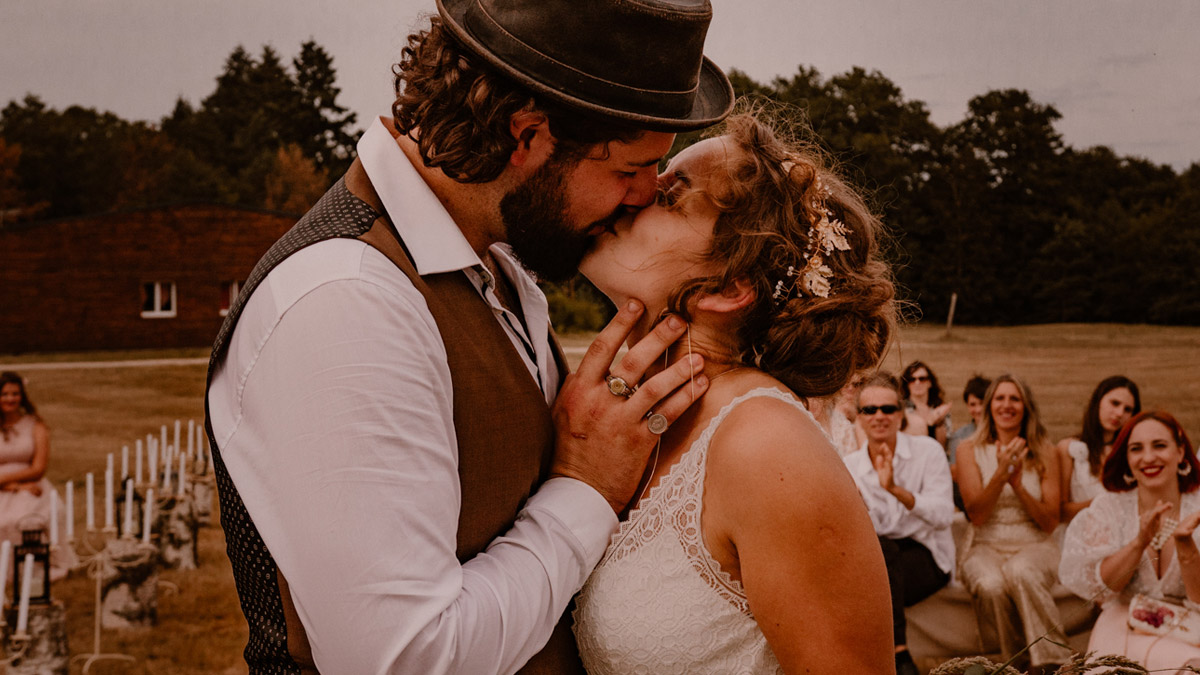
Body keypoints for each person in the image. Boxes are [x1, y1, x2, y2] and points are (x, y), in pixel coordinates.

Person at [204, 1, 735, 672]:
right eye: (629, 170)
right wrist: (586, 489)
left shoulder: (494, 259)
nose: (641, 196)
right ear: (527, 136)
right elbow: (407, 658)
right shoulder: (347, 299)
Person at [571, 109, 896, 672]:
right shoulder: (622, 413)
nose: (639, 192)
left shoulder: (768, 448)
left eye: (673, 195)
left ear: (727, 287)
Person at [1060, 411, 1200, 671]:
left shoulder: (1198, 506)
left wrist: (1186, 547)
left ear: (1180, 453)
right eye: (1136, 449)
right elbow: (1103, 591)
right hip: (1122, 621)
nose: (1148, 457)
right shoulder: (1109, 508)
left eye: (1159, 445)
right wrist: (1138, 543)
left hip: (1190, 625)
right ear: (1127, 458)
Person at [954, 374, 1070, 674]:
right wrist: (1001, 475)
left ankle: (1050, 663)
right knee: (989, 583)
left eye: (1014, 398)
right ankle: (1007, 665)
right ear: (989, 405)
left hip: (1035, 542)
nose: (1007, 405)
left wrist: (1018, 485)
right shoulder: (968, 449)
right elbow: (976, 514)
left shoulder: (1045, 450)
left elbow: (1049, 522)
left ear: (1026, 406)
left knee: (1022, 571)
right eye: (1000, 398)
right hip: (984, 542)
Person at [842, 372, 955, 675]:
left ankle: (894, 657)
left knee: (876, 563)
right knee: (880, 550)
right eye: (870, 410)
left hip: (927, 555)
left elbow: (944, 515)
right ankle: (899, 655)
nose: (879, 416)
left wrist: (896, 490)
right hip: (879, 557)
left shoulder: (927, 452)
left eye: (888, 409)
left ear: (901, 413)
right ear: (859, 416)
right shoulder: (850, 467)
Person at [0, 371, 74, 580]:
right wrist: (12, 486)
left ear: (22, 396)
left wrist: (20, 486)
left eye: (15, 393)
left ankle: (33, 569)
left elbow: (38, 468)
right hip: (5, 489)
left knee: (25, 519)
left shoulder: (36, 425)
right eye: (4, 394)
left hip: (32, 484)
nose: (10, 399)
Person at [1057, 376, 1141, 523]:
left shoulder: (1130, 452)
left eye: (1127, 409)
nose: (1120, 413)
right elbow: (1060, 512)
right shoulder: (1069, 449)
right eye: (1115, 403)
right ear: (1098, 401)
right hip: (1078, 535)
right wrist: (1106, 501)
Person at [901, 360, 952, 447]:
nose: (917, 383)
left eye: (922, 379)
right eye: (912, 379)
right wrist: (929, 423)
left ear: (929, 382)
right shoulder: (901, 409)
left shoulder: (939, 408)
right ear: (907, 384)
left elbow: (944, 446)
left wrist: (939, 423)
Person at [947, 374, 991, 466]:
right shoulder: (959, 437)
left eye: (982, 403)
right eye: (972, 405)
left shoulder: (1003, 432)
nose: (978, 410)